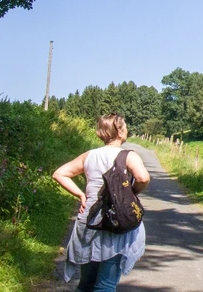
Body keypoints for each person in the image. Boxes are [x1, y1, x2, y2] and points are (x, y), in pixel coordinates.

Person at [53, 113, 150, 292]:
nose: (127, 129)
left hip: (89, 219)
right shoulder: (128, 155)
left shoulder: (89, 155)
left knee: (86, 284)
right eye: (125, 126)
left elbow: (59, 173)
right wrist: (131, 193)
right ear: (120, 131)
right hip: (115, 220)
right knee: (105, 285)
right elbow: (142, 177)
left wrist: (81, 195)